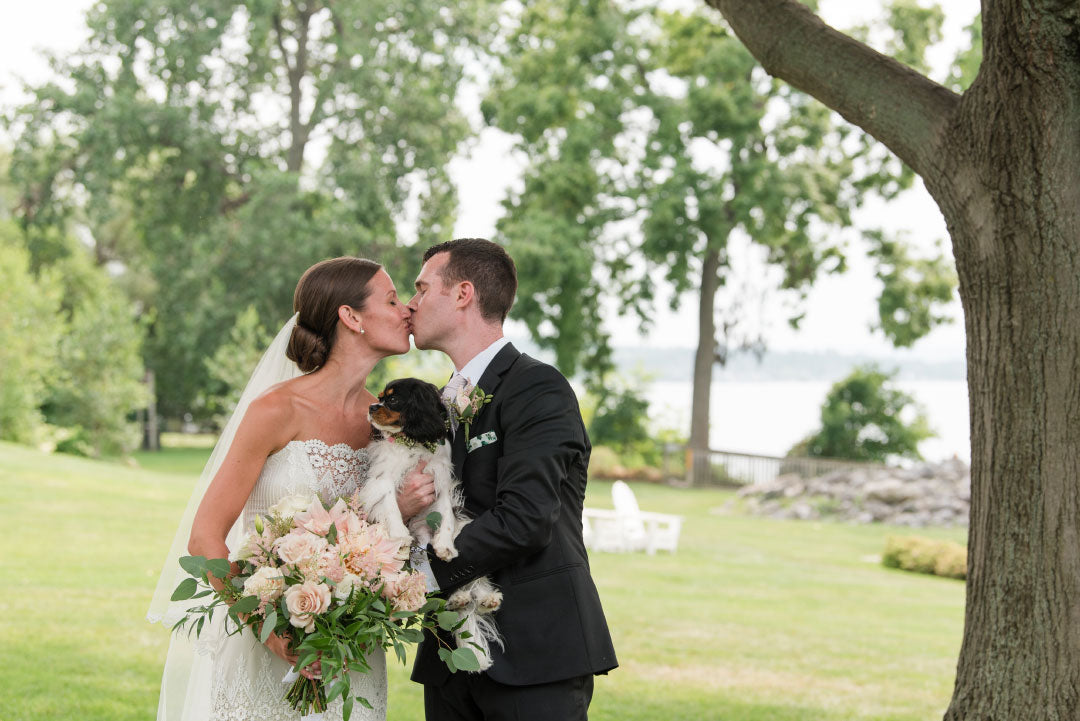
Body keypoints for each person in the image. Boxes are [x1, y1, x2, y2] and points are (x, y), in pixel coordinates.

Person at [147, 257, 438, 721]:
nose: (407, 310)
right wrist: (270, 630)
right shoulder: (276, 410)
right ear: (351, 317)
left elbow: (377, 536)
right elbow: (204, 538)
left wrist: (398, 511)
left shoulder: (385, 423)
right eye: (391, 299)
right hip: (266, 646)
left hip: (348, 651)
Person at [407, 238, 618, 720]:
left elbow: (525, 519)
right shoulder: (440, 403)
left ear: (463, 294)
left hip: (534, 654)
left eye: (421, 289)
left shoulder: (537, 387)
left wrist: (417, 576)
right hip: (449, 657)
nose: (411, 303)